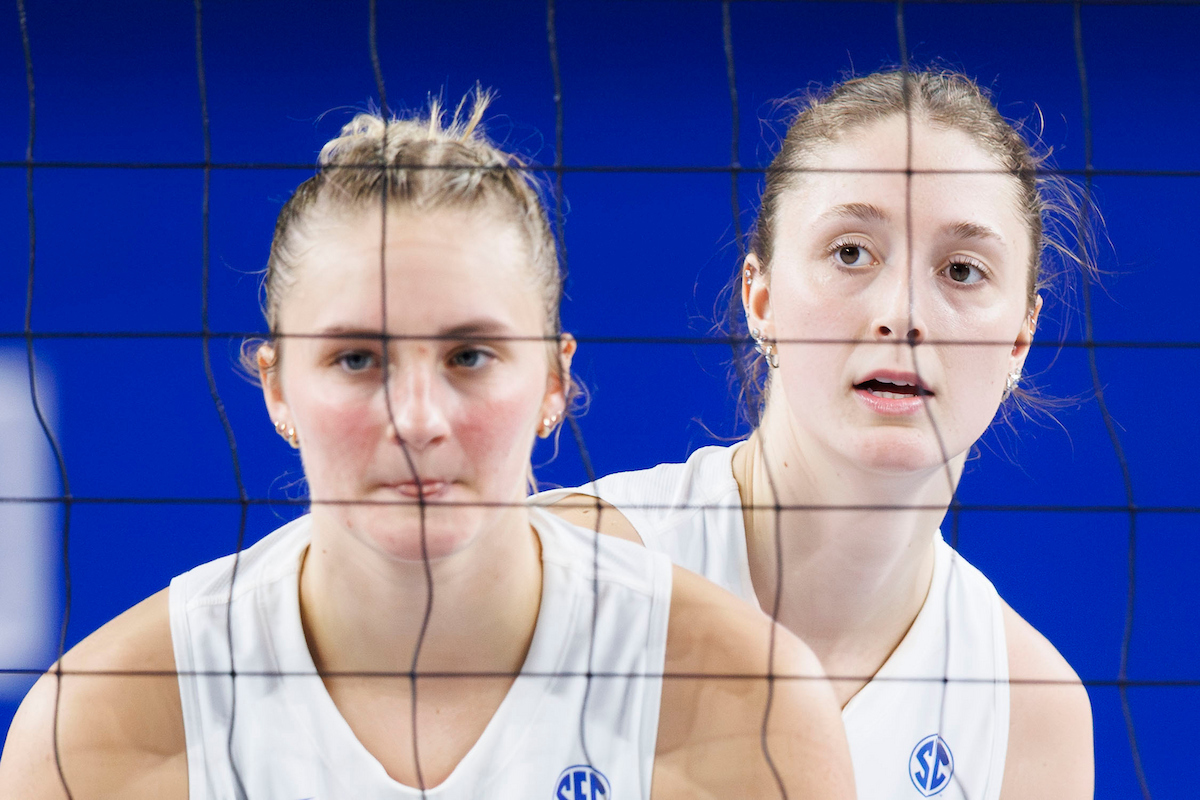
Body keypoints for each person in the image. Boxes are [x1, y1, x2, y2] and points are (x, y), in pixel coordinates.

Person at [0, 93, 856, 799]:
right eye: (357, 358)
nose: (415, 419)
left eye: (469, 356)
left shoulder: (750, 708)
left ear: (554, 382)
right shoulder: (100, 731)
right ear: (277, 388)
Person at [540, 70, 1093, 800]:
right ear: (761, 298)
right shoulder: (563, 566)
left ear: (1020, 339)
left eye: (962, 270)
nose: (903, 315)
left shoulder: (1031, 710)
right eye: (851, 252)